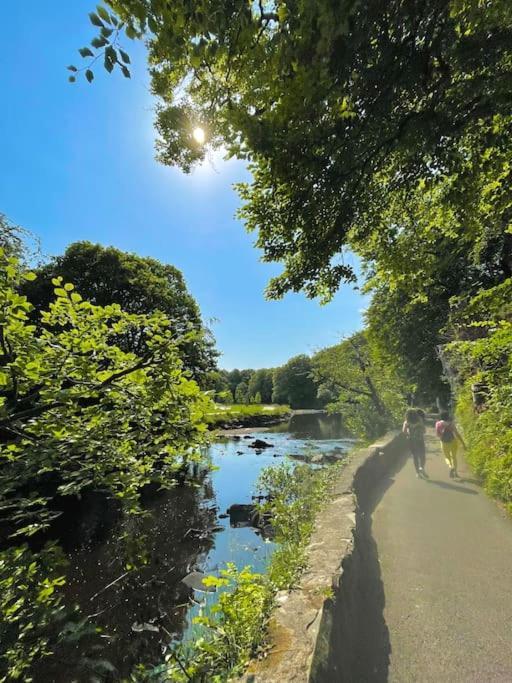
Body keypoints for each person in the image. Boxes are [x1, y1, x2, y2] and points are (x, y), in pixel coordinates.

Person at [435, 411, 466, 478]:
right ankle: (456, 472)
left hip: (444, 442)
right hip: (453, 441)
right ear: (448, 416)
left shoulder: (438, 424)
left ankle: (450, 467)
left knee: (447, 457)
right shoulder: (451, 423)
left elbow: (438, 434)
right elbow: (457, 434)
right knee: (454, 457)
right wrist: (463, 443)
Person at [403, 409, 427, 478]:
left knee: (415, 457)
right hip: (420, 440)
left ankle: (417, 473)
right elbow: (424, 431)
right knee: (422, 456)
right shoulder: (419, 420)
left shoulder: (406, 422)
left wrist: (409, 433)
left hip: (411, 441)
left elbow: (404, 432)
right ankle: (421, 467)